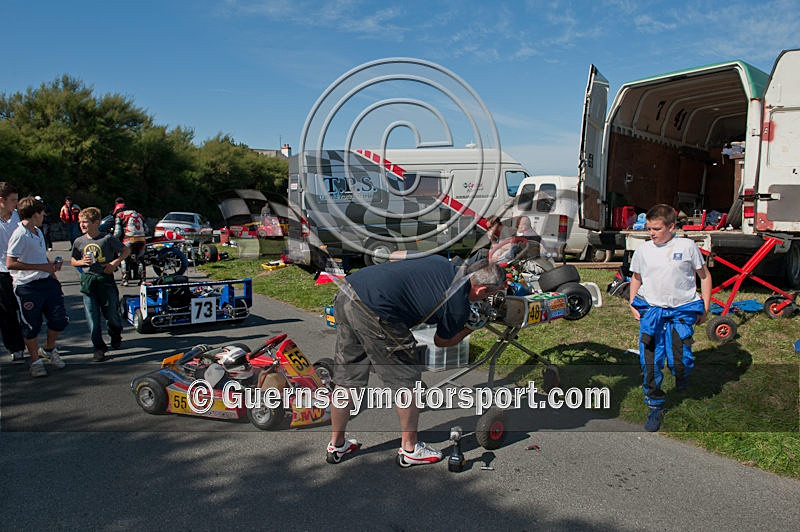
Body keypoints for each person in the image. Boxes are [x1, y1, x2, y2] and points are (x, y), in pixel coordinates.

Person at [326, 255, 507, 466]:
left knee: (347, 378)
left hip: (349, 290)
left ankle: (336, 445)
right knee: (406, 381)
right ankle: (410, 449)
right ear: (482, 290)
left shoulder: (443, 263)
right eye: (491, 294)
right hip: (378, 310)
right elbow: (442, 341)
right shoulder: (458, 303)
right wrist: (473, 327)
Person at [628, 204, 712, 432]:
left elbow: (704, 276)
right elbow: (636, 278)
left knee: (680, 359)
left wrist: (705, 306)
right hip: (652, 313)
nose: (651, 233)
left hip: (680, 312)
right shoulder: (643, 250)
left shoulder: (687, 247)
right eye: (649, 229)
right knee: (651, 362)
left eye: (656, 229)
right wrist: (633, 303)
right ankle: (655, 405)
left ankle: (681, 376)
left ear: (671, 226)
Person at [7, 196, 69, 377]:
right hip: (27, 286)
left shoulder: (38, 231)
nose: (44, 217)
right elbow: (11, 263)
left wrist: (52, 271)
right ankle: (35, 361)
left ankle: (48, 350)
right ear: (34, 214)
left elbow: (41, 258)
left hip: (47, 283)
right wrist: (41, 267)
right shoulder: (19, 235)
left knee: (60, 319)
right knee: (31, 325)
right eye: (42, 213)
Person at [71, 207, 130, 362]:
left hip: (106, 280)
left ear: (96, 222)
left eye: (85, 222)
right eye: (80, 222)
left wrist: (115, 262)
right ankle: (98, 347)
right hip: (89, 281)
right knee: (92, 317)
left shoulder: (107, 238)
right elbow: (73, 260)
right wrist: (81, 262)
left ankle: (115, 334)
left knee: (112, 315)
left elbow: (125, 251)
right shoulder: (79, 241)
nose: (82, 225)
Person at [0, 183, 28, 362]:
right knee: (6, 311)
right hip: (1, 271)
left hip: (22, 269)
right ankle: (15, 346)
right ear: (1, 201)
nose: (16, 204)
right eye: (13, 200)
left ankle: (30, 340)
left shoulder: (19, 217)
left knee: (27, 309)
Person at [113, 202, 146, 285]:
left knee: (124, 257)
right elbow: (146, 229)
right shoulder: (139, 215)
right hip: (141, 239)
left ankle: (125, 280)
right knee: (140, 258)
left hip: (129, 238)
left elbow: (118, 232)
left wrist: (113, 239)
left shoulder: (120, 215)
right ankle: (143, 280)